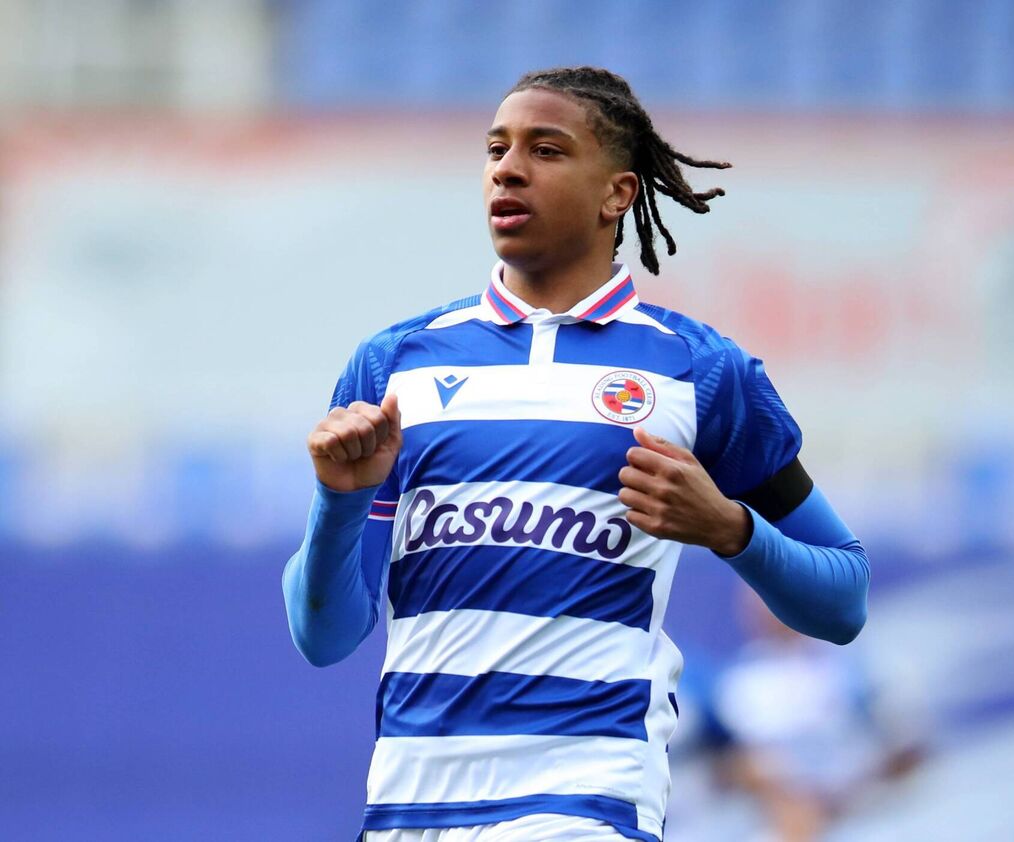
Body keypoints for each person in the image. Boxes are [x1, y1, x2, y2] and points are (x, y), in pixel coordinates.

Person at [282, 66, 870, 842]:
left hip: (585, 804)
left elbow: (843, 597)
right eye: (497, 148)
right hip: (410, 810)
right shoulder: (396, 365)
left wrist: (730, 528)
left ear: (617, 194)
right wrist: (340, 499)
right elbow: (324, 637)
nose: (508, 167)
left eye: (546, 149)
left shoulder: (699, 371)